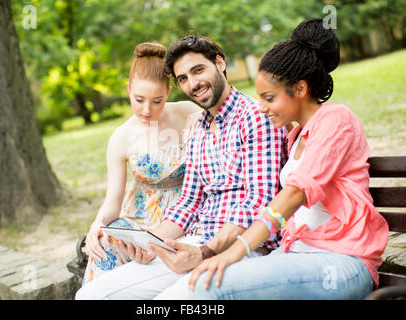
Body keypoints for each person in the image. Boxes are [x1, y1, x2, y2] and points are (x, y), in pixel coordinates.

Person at [187, 18, 390, 300]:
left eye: (269, 98)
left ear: (300, 89)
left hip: (342, 260)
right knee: (196, 285)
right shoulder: (294, 135)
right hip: (297, 254)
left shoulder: (336, 119)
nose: (262, 108)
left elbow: (296, 193)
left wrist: (233, 252)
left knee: (209, 287)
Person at [75, 35, 285, 299]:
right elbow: (188, 202)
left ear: (220, 63)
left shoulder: (255, 117)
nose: (193, 83)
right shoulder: (196, 127)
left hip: (244, 247)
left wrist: (205, 251)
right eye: (183, 78)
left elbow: (260, 204)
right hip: (194, 242)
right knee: (91, 295)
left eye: (198, 70)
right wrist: (155, 244)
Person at [81, 42, 200, 285]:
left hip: (189, 212)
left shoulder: (187, 112)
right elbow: (112, 203)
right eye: (139, 99)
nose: (147, 110)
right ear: (128, 90)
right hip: (142, 219)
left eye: (157, 101)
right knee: (106, 242)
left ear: (168, 92)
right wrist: (98, 223)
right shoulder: (121, 137)